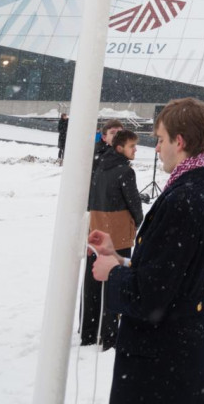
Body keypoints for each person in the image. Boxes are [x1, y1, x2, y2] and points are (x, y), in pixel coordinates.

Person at [88, 97, 204, 404]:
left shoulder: (184, 199)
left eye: (161, 139)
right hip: (184, 351)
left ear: (180, 141)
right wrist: (120, 258)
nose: (157, 148)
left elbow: (151, 295)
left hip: (161, 359)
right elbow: (173, 270)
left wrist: (113, 272)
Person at [82, 128, 143, 348]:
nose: (135, 150)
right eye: (132, 146)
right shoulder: (125, 171)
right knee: (115, 282)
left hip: (97, 228)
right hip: (118, 232)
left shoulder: (100, 165)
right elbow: (133, 202)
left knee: (93, 282)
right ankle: (109, 335)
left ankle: (89, 332)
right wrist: (138, 220)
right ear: (120, 148)